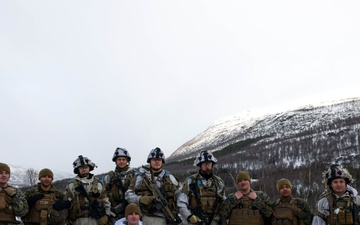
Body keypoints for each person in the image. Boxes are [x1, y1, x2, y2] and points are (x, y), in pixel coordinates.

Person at [125, 147, 181, 225]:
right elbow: (128, 194)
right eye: (154, 160)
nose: (157, 162)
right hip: (146, 217)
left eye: (159, 160)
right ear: (150, 161)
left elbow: (180, 196)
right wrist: (139, 199)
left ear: (162, 162)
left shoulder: (170, 178)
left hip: (168, 216)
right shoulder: (140, 177)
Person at [177, 150, 225, 225]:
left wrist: (216, 220)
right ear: (200, 165)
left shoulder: (219, 182)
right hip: (196, 221)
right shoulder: (191, 180)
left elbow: (223, 204)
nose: (207, 166)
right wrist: (189, 216)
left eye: (209, 163)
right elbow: (181, 203)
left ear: (212, 164)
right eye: (204, 164)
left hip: (215, 221)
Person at [65, 155, 111, 225]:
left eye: (86, 167)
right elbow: (66, 202)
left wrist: (107, 215)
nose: (84, 169)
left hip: (95, 220)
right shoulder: (71, 185)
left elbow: (105, 200)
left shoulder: (99, 184)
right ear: (77, 169)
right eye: (81, 168)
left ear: (89, 168)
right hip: (77, 221)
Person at [103, 147, 136, 223]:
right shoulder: (110, 176)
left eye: (124, 160)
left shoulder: (134, 175)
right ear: (115, 161)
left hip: (131, 210)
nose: (121, 162)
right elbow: (103, 194)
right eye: (119, 159)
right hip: (115, 212)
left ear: (127, 161)